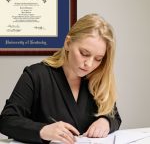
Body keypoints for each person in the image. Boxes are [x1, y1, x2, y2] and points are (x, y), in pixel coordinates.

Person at [0, 14, 121, 144]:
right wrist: (43, 130)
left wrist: (106, 121)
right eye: (84, 54)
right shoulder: (36, 75)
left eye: (98, 59)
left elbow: (114, 116)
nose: (89, 64)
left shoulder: (97, 79)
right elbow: (7, 120)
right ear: (68, 43)